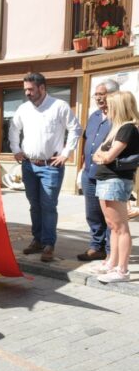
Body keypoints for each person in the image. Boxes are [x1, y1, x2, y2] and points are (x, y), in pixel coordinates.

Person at [9, 72, 82, 262]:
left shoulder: (59, 106)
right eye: (25, 89)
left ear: (42, 88)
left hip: (51, 166)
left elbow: (75, 128)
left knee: (48, 206)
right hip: (29, 166)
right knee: (34, 205)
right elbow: (14, 128)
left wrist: (66, 153)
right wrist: (16, 149)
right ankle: (38, 240)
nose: (27, 93)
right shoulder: (24, 108)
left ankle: (49, 243)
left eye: (31, 89)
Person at [89, 91, 139, 283]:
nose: (106, 108)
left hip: (115, 180)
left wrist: (104, 156)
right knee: (113, 226)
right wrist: (102, 156)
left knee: (120, 227)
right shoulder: (116, 129)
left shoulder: (127, 128)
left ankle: (122, 270)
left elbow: (106, 157)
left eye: (110, 105)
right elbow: (95, 154)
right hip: (107, 179)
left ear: (119, 106)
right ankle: (112, 264)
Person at [79, 79, 119, 262]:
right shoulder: (94, 116)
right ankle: (96, 247)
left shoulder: (120, 117)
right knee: (92, 213)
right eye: (96, 94)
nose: (98, 98)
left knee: (109, 215)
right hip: (89, 172)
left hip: (108, 174)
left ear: (113, 95)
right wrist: (83, 164)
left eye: (101, 94)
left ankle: (111, 251)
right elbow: (87, 140)